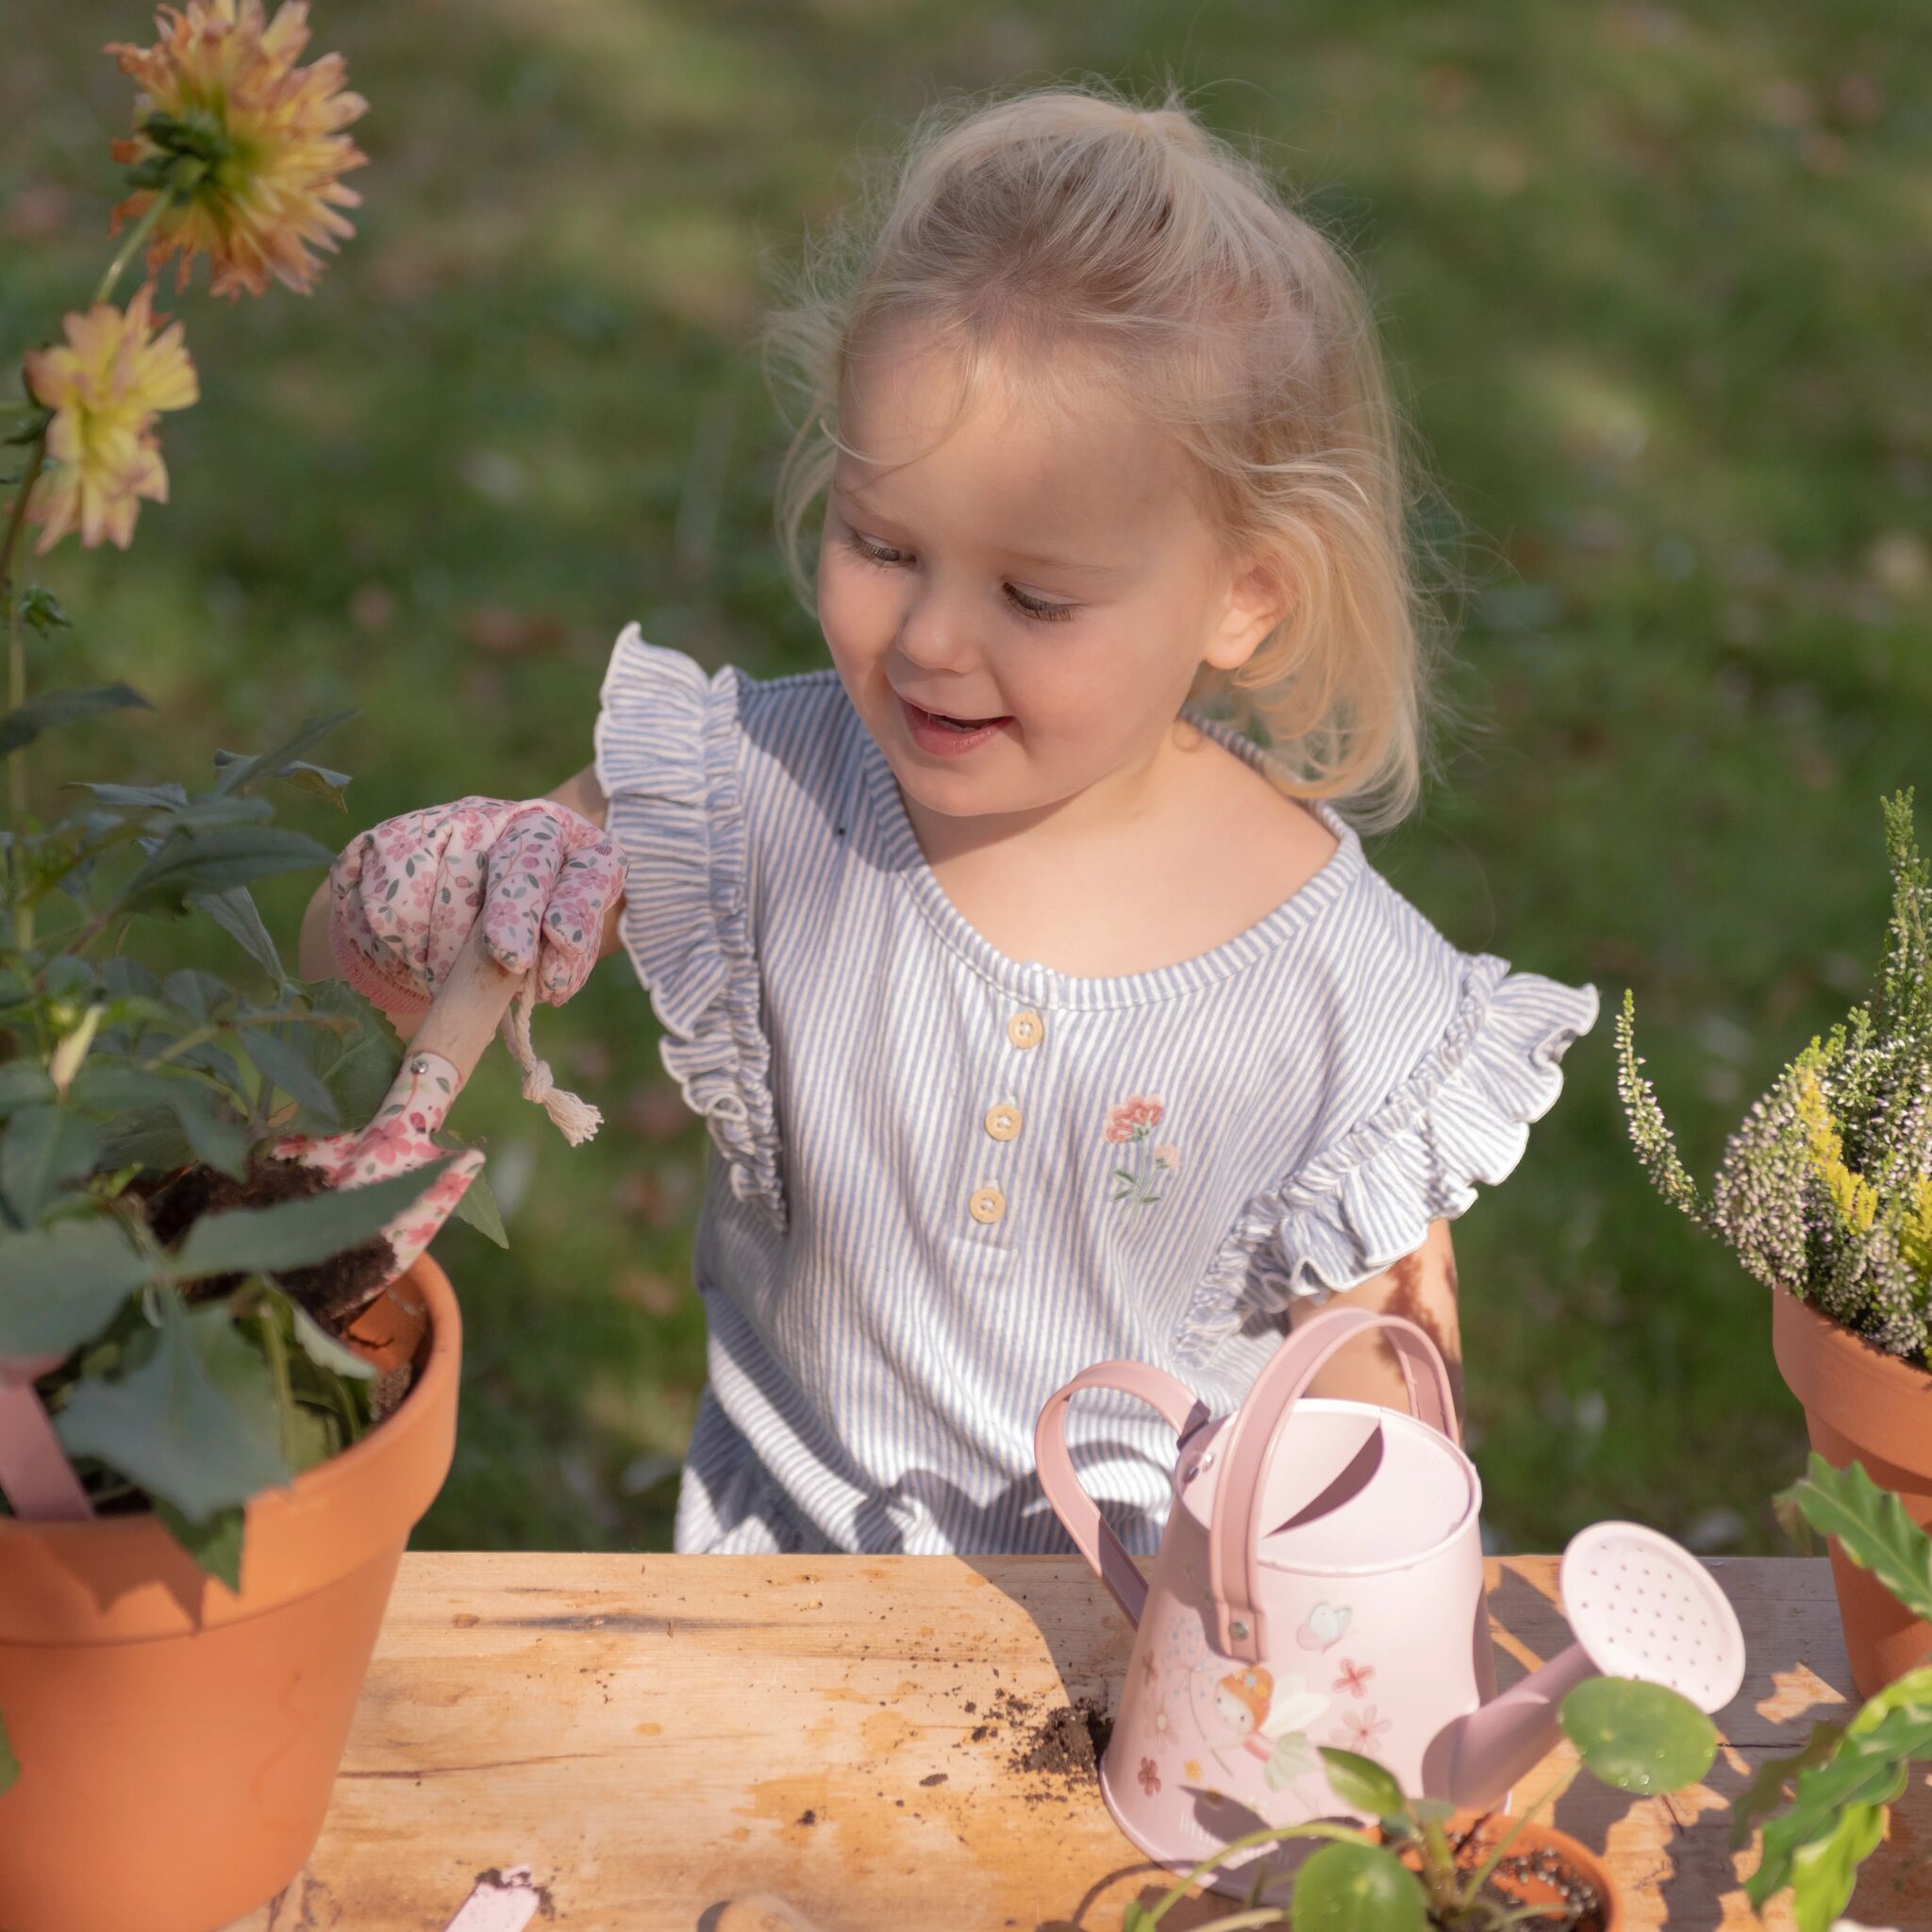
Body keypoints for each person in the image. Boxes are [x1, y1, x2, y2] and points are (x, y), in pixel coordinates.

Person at [299, 83, 1599, 1557]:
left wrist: (1328, 1574)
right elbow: (362, 968)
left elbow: (1369, 1428)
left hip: (1132, 1691)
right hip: (775, 1630)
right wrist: (442, 882)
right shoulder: (761, 792)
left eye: (1035, 597)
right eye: (882, 543)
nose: (929, 641)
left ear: (1244, 596)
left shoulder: (1342, 1001)